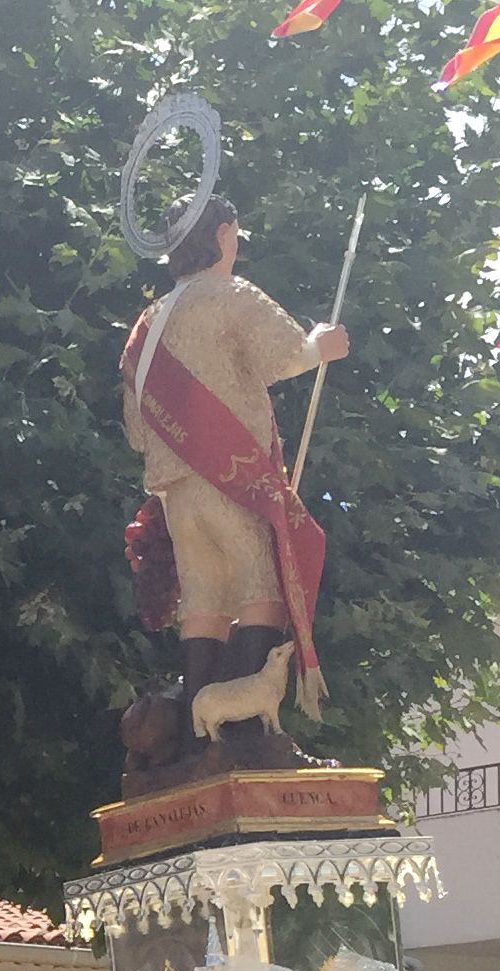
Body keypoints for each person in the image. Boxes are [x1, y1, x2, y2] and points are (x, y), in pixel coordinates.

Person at [120, 194, 349, 742]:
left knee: (203, 599)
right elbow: (283, 355)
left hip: (176, 492)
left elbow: (134, 428)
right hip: (232, 479)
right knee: (258, 585)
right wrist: (322, 345)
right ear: (224, 234)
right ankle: (249, 732)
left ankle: (194, 741)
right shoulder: (232, 294)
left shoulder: (144, 329)